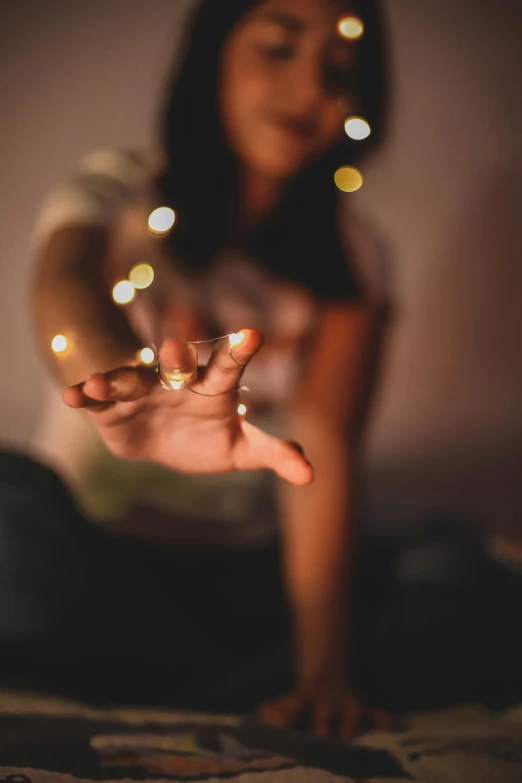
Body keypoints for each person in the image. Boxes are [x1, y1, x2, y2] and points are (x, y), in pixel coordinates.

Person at [21, 0, 389, 736]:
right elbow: (64, 287)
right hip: (89, 555)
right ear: (213, 54)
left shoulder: (351, 256)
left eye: (341, 68)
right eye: (280, 48)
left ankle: (199, 676)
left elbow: (325, 445)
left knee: (449, 571)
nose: (312, 86)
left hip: (243, 584)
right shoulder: (118, 193)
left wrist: (323, 677)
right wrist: (120, 382)